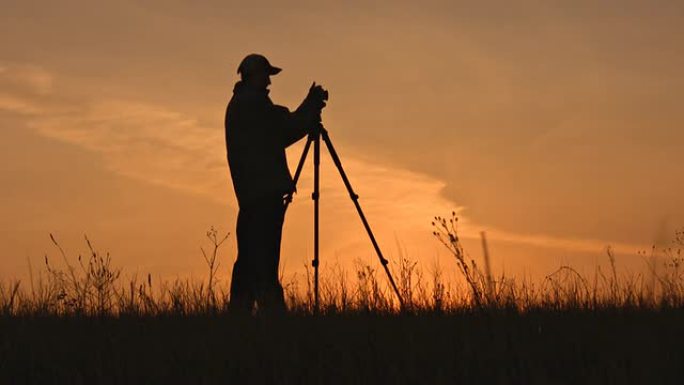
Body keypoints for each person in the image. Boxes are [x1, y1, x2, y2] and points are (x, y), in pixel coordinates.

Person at [225, 53, 327, 313]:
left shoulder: (241, 104)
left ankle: (239, 318)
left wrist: (305, 112)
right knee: (264, 261)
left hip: (251, 197)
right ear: (253, 77)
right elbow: (285, 127)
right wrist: (310, 107)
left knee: (248, 261)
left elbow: (279, 127)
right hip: (262, 196)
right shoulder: (253, 105)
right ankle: (274, 320)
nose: (269, 81)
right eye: (265, 75)